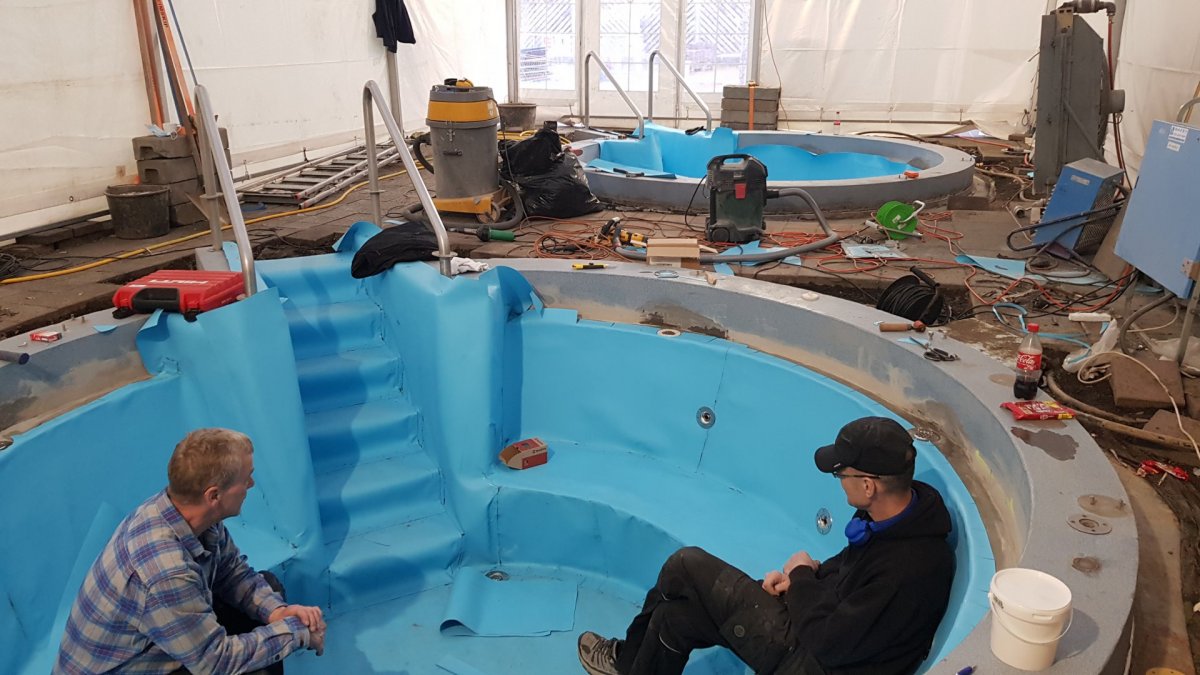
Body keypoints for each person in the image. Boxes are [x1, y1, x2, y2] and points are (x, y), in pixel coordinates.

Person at [577, 416, 956, 675]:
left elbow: (829, 643)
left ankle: (626, 661)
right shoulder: (894, 517)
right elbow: (847, 577)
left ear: (869, 485)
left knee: (685, 565)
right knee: (675, 619)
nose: (839, 480)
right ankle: (632, 665)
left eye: (841, 473)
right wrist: (800, 582)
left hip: (818, 663)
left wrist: (802, 576)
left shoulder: (909, 569)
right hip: (822, 634)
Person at [55, 428, 327, 675]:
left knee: (268, 590)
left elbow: (230, 571)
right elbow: (215, 663)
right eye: (246, 478)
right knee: (255, 668)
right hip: (129, 667)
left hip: (152, 644)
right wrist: (296, 632)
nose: (251, 484)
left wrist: (277, 613)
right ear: (214, 495)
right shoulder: (166, 571)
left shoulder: (185, 512)